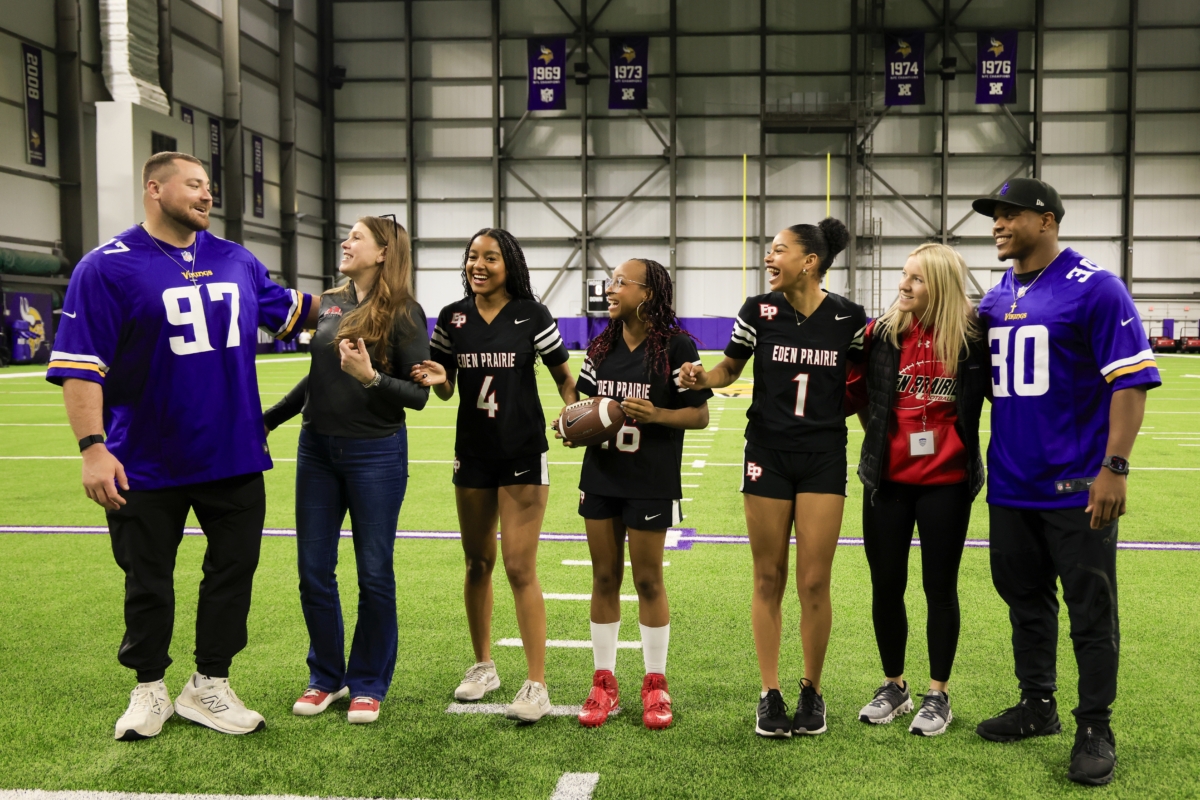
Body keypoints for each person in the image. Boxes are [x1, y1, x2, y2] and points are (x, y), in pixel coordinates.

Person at [47, 152, 318, 741]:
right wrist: (92, 448)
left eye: (209, 186)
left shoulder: (236, 259)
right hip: (142, 456)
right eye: (194, 184)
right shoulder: (105, 267)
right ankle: (148, 687)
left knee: (233, 573)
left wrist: (382, 290)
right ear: (154, 188)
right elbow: (80, 368)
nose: (206, 195)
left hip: (233, 453)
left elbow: (302, 314)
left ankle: (209, 684)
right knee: (148, 578)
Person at [971, 178, 1158, 786]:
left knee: (1091, 610)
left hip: (1078, 486)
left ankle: (1095, 725)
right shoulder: (997, 296)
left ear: (1047, 220)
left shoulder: (1095, 286)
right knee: (1024, 601)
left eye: (1009, 215)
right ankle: (1038, 705)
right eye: (994, 217)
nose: (997, 224)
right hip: (1011, 485)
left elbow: (1129, 382)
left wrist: (1115, 467)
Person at [680, 218, 865, 738]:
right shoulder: (758, 310)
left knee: (814, 580)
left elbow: (861, 388)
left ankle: (813, 689)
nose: (768, 257)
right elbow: (729, 371)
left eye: (778, 250)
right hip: (767, 453)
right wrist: (702, 377)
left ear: (809, 261)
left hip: (824, 455)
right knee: (769, 576)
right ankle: (770, 692)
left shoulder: (849, 317)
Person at [264, 216, 429, 724]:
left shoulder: (405, 312)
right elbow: (314, 380)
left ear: (383, 252)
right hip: (316, 451)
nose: (345, 242)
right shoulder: (331, 302)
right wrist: (265, 421)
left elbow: (419, 396)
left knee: (374, 573)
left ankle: (369, 683)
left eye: (355, 236)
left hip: (375, 453)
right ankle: (326, 678)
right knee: (313, 572)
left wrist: (371, 377)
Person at [412, 228, 577, 723]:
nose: (478, 265)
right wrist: (442, 380)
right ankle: (484, 665)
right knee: (477, 562)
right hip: (474, 453)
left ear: (511, 265)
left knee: (519, 566)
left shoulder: (533, 315)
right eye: (472, 257)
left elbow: (564, 377)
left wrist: (579, 415)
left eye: (490, 257)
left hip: (523, 451)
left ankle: (536, 682)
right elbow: (444, 386)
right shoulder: (452, 317)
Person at [561, 258, 712, 730]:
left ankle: (655, 682)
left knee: (648, 581)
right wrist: (570, 425)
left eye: (620, 283)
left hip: (651, 479)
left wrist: (657, 416)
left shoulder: (676, 345)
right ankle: (603, 681)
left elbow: (700, 415)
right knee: (604, 577)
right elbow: (580, 404)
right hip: (602, 477)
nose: (611, 289)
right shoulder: (601, 345)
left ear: (646, 293)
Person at [844, 243, 988, 736]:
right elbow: (855, 393)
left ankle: (937, 694)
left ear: (941, 287)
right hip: (887, 482)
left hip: (946, 482)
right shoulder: (880, 335)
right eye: (904, 275)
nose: (904, 285)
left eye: (917, 279)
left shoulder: (971, 339)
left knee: (939, 589)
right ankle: (894, 686)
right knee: (886, 586)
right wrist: (876, 441)